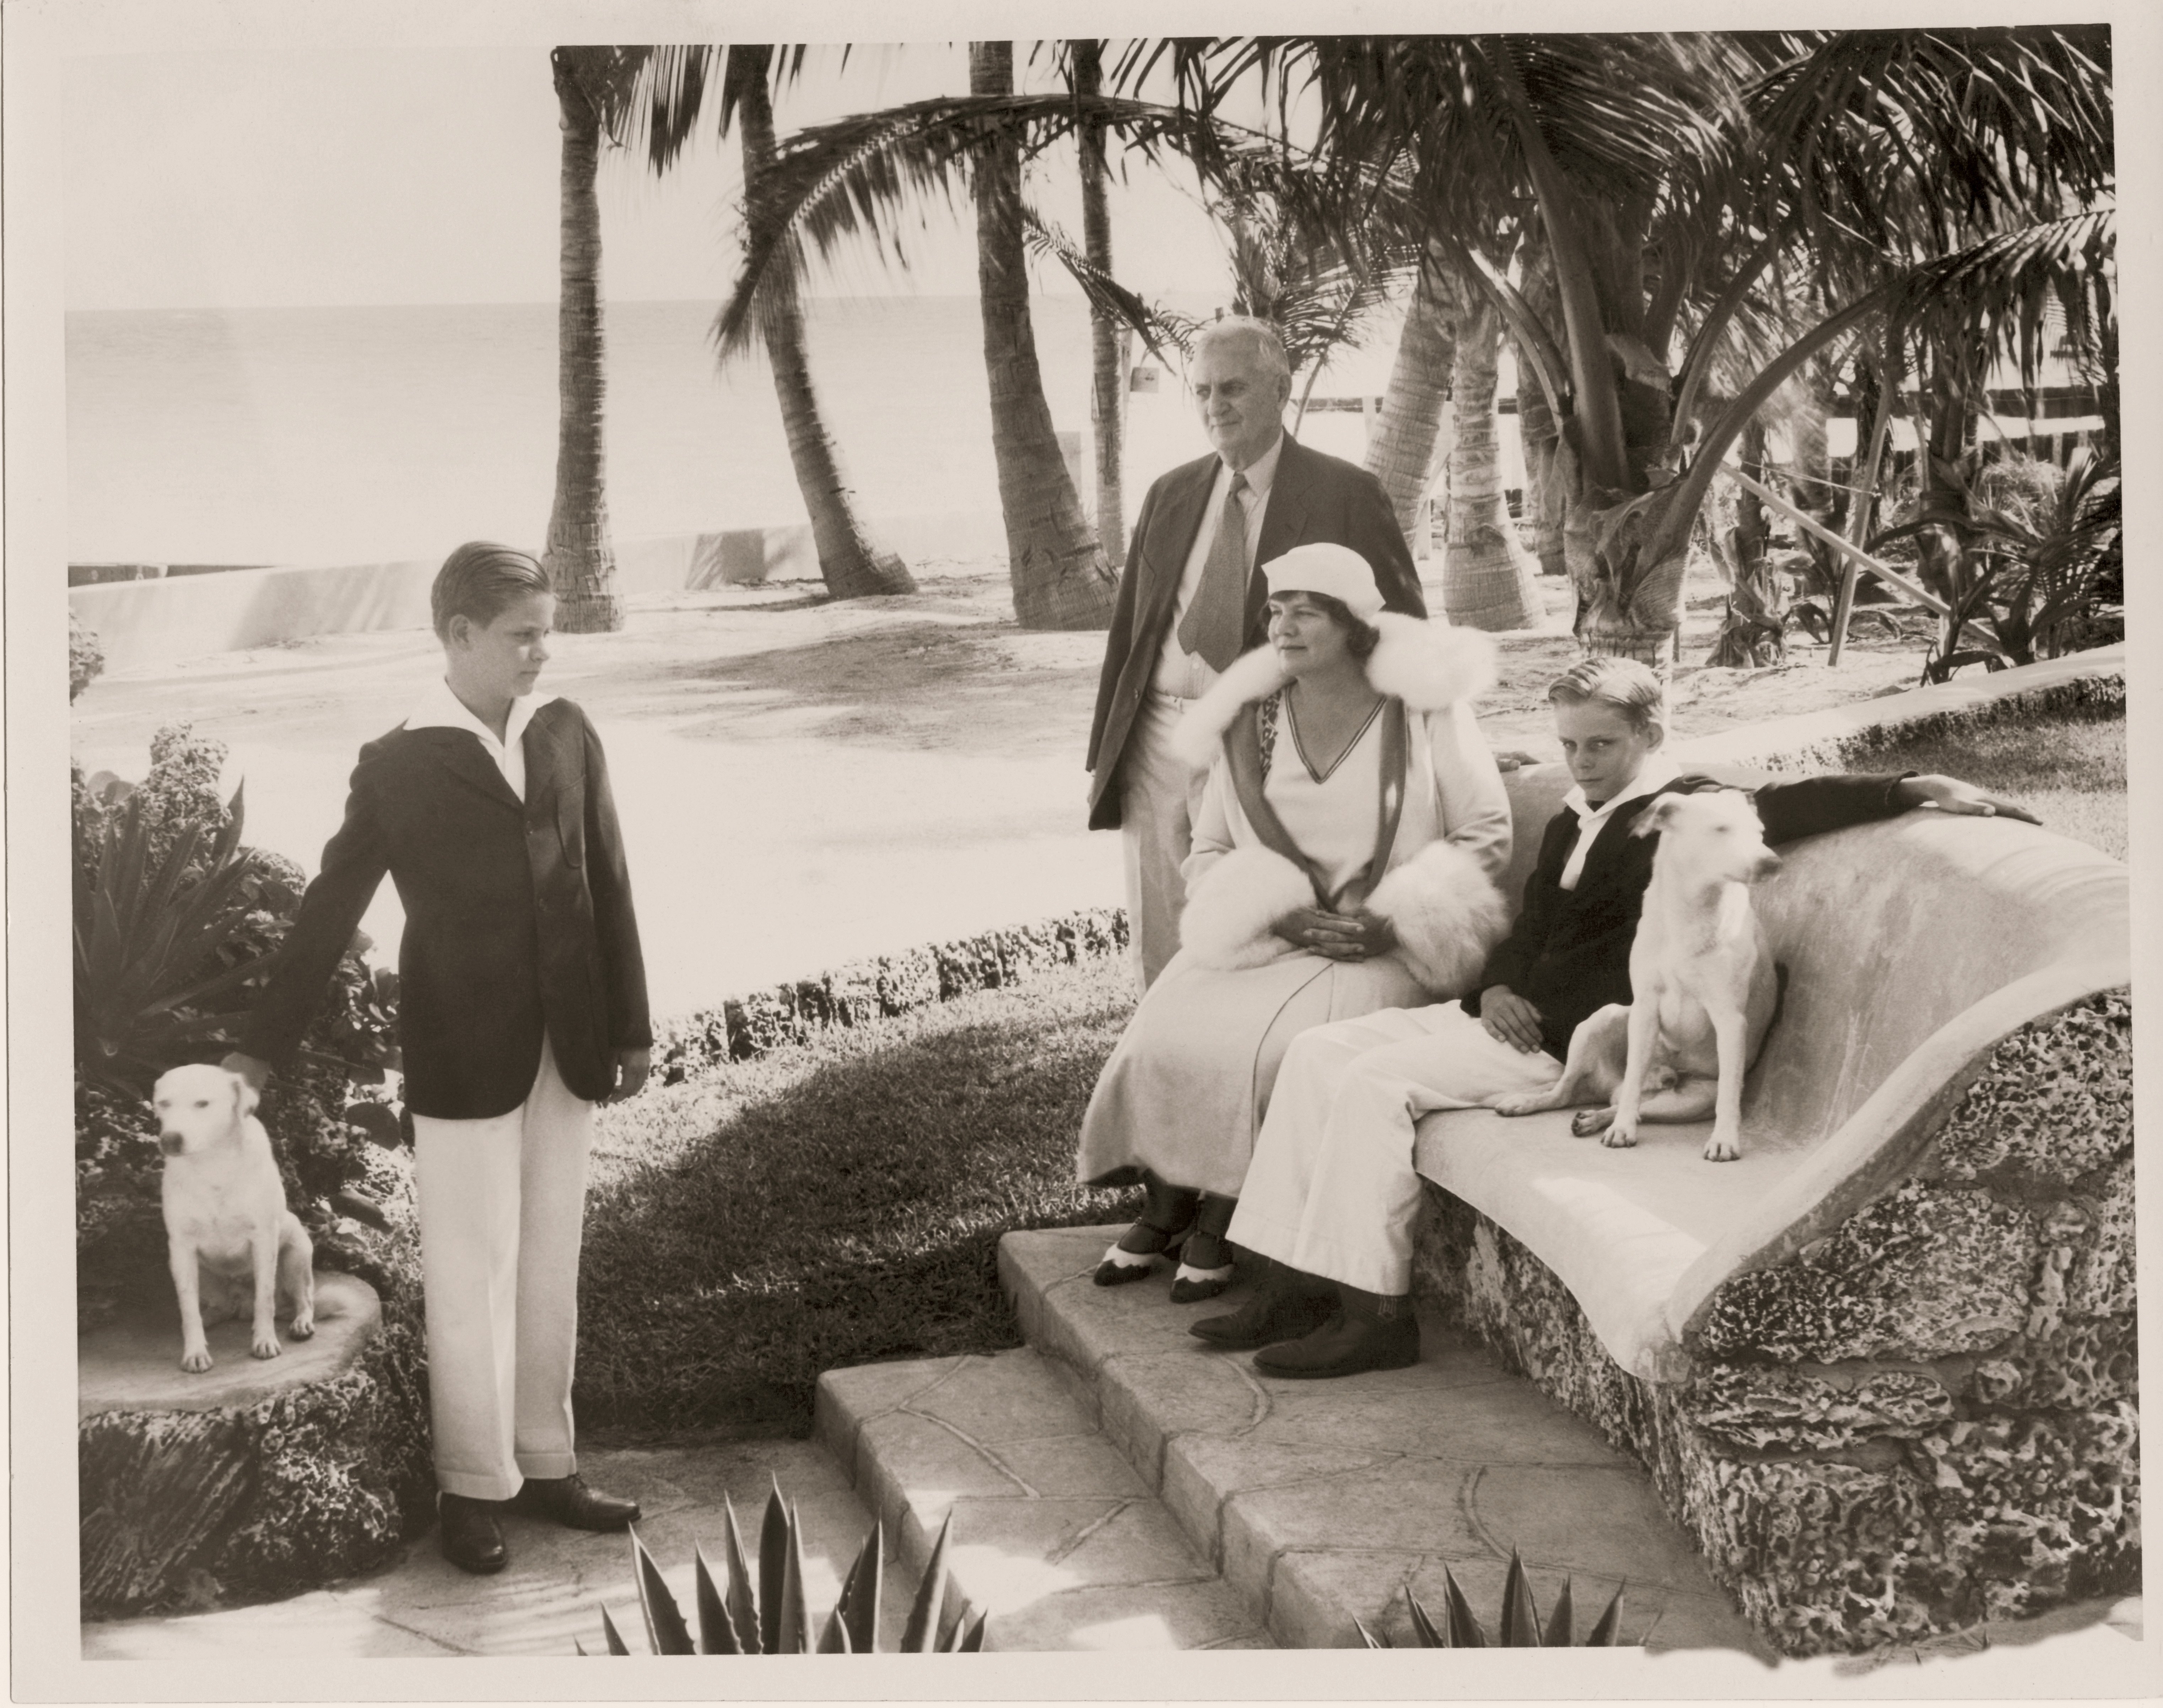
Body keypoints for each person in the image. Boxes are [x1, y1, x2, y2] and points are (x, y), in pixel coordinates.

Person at [1198, 655, 2040, 1379]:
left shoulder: (1681, 809)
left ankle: (1374, 1315)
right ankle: (1291, 1282)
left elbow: (1787, 802)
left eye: (1601, 744)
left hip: (1567, 1047)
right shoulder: (1573, 818)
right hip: (1503, 1019)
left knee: (1372, 1086)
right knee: (1315, 1052)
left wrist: (1910, 787)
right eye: (1568, 745)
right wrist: (1494, 988)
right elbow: (1529, 925)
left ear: (1649, 736)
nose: (1582, 762)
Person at [224, 542, 652, 1574]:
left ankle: (548, 1464)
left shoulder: (566, 733)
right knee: (471, 1271)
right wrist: (257, 1053)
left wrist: (630, 1026)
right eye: (523, 635)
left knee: (551, 1258)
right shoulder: (401, 761)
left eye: (547, 631)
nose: (543, 651)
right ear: (458, 636)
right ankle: (471, 1486)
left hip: (570, 1046)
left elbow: (610, 880)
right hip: (463, 1051)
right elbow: (331, 907)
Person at [1075, 542, 1512, 1303]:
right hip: (1276, 932)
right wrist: (1278, 918)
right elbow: (1208, 849)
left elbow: (1485, 832)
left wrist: (1392, 919)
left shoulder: (1422, 711)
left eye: (1306, 610)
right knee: (1164, 1027)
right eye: (1275, 610)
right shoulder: (1252, 721)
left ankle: (1223, 1209)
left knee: (1281, 1046)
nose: (1284, 625)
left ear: (1354, 624)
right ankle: (1168, 1198)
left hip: (1382, 944)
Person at [1086, 316, 1428, 994]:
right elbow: (1132, 632)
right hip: (1158, 737)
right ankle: (1168, 1046)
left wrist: (1439, 733)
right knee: (1162, 928)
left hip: (1266, 739)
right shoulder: (1170, 492)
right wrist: (1109, 748)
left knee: (1260, 923)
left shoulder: (1346, 494)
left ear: (1281, 387)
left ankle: (1254, 1065)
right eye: (1204, 391)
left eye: (1234, 388)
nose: (1217, 407)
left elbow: (1403, 628)